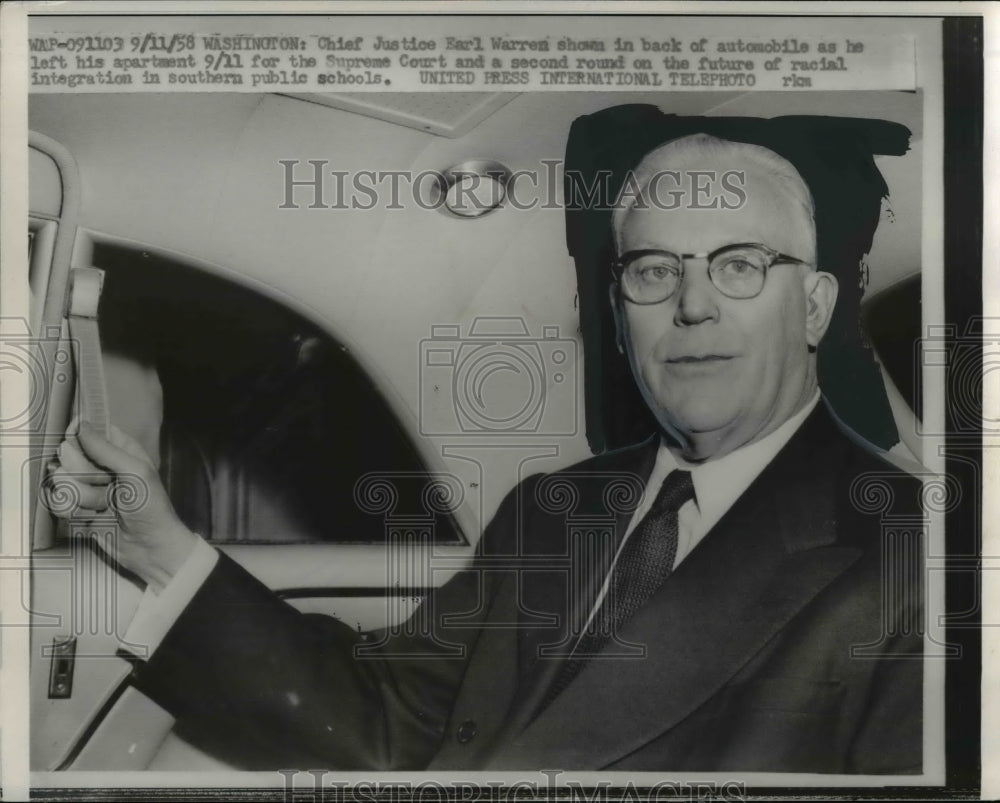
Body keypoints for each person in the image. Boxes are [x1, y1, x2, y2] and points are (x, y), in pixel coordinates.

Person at [48, 130, 923, 773]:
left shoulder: (920, 551)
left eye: (737, 265)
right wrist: (156, 544)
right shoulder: (554, 508)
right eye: (654, 271)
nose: (691, 304)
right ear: (621, 321)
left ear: (812, 307)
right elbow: (385, 722)